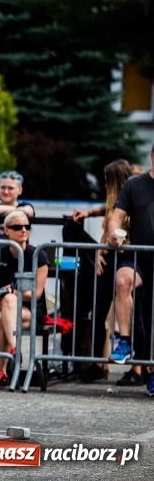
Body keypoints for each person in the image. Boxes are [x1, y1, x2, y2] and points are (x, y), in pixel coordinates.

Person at [72, 160, 137, 385]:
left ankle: (138, 369)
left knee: (135, 316)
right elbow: (106, 208)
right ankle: (98, 364)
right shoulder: (114, 201)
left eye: (106, 178)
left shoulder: (134, 199)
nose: (103, 182)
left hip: (129, 260)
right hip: (110, 260)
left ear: (114, 179)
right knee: (99, 313)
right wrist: (88, 214)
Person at [105, 146, 154, 397]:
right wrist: (114, 232)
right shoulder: (135, 185)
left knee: (151, 318)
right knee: (122, 280)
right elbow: (116, 216)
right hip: (139, 259)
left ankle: (151, 372)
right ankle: (124, 341)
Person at [0, 211, 49, 389]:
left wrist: (10, 290)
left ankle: (3, 366)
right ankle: (11, 356)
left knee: (8, 300)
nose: (23, 230)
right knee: (0, 315)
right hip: (6, 313)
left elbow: (36, 294)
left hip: (32, 312)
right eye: (17, 227)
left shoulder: (38, 255)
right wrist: (4, 293)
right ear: (6, 231)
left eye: (26, 226)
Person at [0, 170, 35, 240]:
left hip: (18, 249)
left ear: (20, 190)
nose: (6, 192)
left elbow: (28, 211)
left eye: (10, 188)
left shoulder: (25, 205)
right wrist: (16, 210)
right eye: (2, 187)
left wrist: (2, 211)